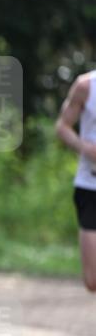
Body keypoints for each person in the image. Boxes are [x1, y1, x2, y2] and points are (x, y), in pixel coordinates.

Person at [55, 69, 96, 292]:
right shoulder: (86, 86)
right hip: (90, 187)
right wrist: (85, 148)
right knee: (93, 281)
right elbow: (62, 126)